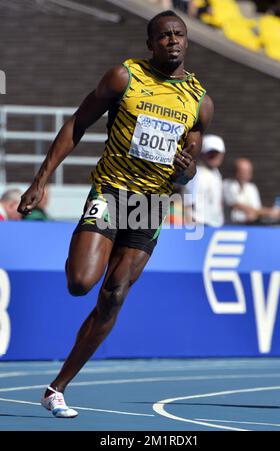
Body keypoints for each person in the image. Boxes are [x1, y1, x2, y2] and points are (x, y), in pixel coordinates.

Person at [18, 10, 214, 418]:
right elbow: (78, 122)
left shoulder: (199, 101)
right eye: (163, 36)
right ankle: (93, 243)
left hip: (151, 203)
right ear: (150, 43)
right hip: (113, 192)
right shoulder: (124, 77)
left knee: (114, 295)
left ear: (187, 40)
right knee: (80, 283)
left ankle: (57, 387)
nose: (172, 41)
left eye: (179, 34)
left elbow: (191, 165)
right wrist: (41, 179)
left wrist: (185, 169)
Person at [223, 158, 280, 224]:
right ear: (235, 172)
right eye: (243, 171)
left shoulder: (252, 187)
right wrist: (268, 212)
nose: (246, 174)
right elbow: (237, 205)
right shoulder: (227, 185)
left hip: (250, 226)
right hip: (230, 227)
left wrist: (270, 212)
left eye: (248, 171)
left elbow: (256, 209)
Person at [185, 134, 225, 227]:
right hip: (199, 225)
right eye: (210, 152)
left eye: (217, 153)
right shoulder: (196, 173)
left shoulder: (217, 174)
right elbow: (187, 203)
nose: (214, 156)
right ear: (202, 153)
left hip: (216, 225)